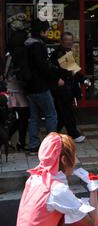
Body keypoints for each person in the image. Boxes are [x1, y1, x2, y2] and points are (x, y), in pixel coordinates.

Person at [24, 19, 60, 154]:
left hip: (28, 86)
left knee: (33, 117)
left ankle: (33, 145)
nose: (48, 33)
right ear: (41, 31)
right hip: (40, 86)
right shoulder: (38, 46)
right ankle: (52, 146)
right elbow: (42, 67)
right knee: (51, 115)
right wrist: (55, 77)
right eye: (47, 31)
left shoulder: (27, 44)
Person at [49, 32, 86, 143]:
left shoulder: (65, 52)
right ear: (61, 41)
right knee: (66, 112)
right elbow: (68, 71)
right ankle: (73, 134)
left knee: (62, 113)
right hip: (61, 89)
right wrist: (80, 78)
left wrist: (83, 79)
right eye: (66, 40)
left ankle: (53, 135)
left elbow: (73, 69)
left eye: (71, 40)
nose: (69, 42)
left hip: (64, 88)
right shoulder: (60, 53)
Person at [4, 30, 30, 151]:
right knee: (23, 116)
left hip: (10, 88)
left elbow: (5, 73)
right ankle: (19, 141)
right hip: (18, 89)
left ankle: (10, 139)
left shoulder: (9, 54)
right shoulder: (19, 54)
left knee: (17, 117)